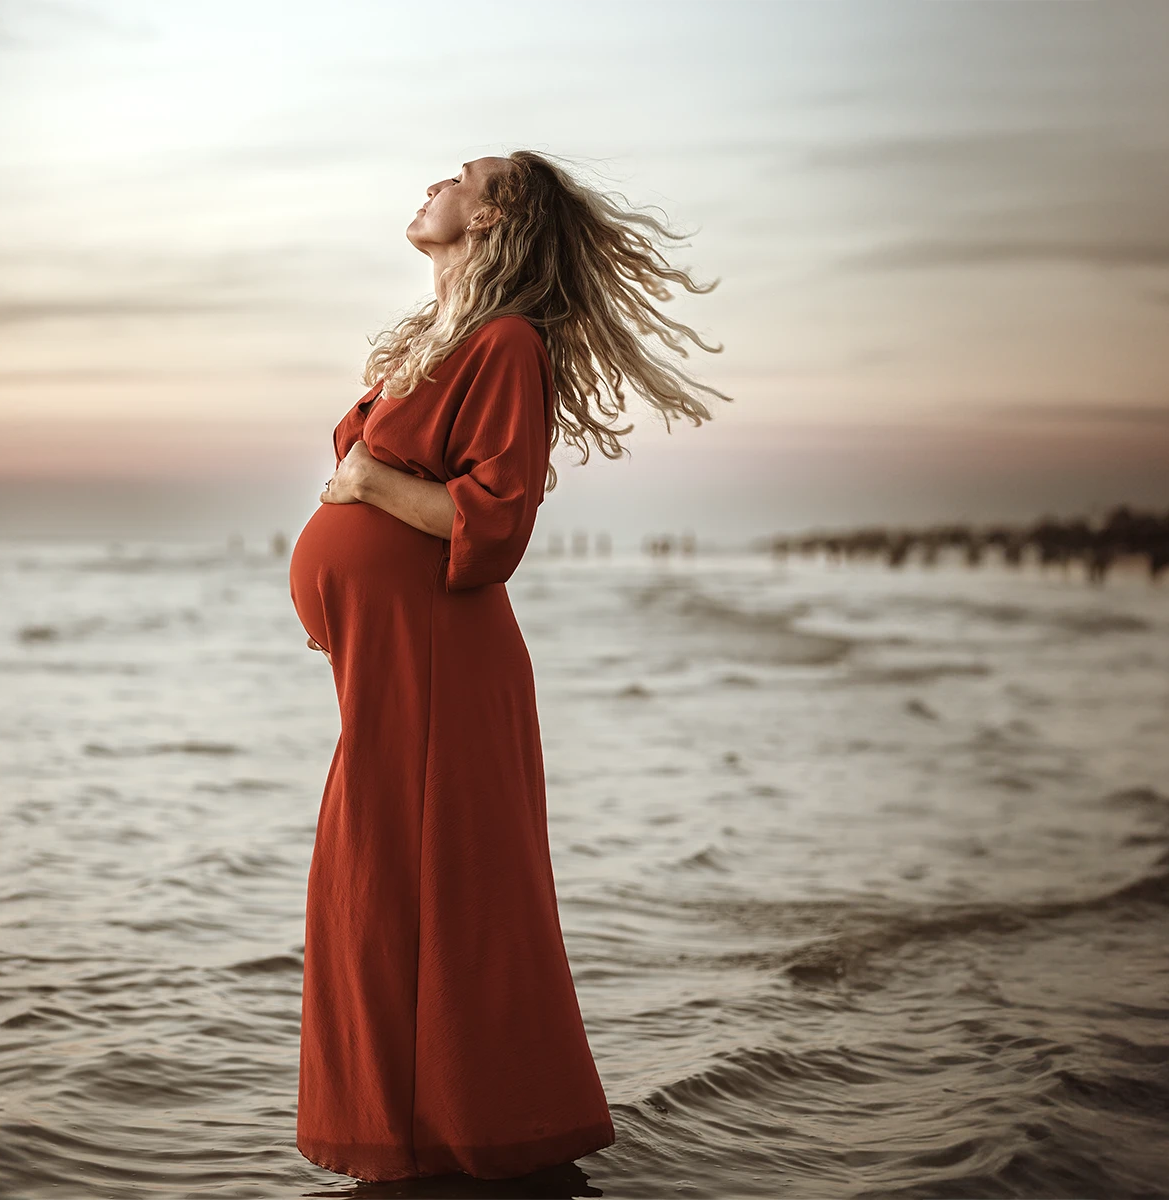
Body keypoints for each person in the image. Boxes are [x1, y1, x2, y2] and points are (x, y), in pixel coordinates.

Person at [286, 150, 730, 1182]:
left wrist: (365, 486)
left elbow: (493, 525)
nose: (432, 184)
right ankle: (412, 1136)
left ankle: (481, 1138)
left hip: (443, 662)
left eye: (460, 176)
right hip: (396, 662)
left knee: (444, 889)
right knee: (374, 887)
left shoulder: (507, 343)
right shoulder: (439, 339)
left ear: (493, 218)